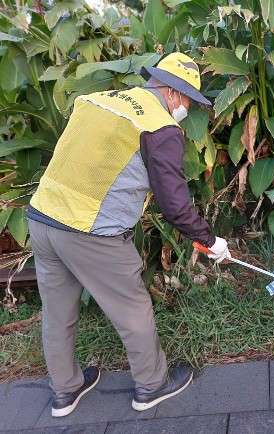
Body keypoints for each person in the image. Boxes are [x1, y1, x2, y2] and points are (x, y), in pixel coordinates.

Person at [27, 53, 230, 417]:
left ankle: (64, 391)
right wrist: (210, 239)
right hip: (90, 232)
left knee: (57, 314)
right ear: (171, 92)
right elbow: (174, 204)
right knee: (132, 310)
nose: (185, 109)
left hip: (43, 217)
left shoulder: (97, 100)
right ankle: (151, 386)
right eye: (186, 101)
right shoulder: (160, 126)